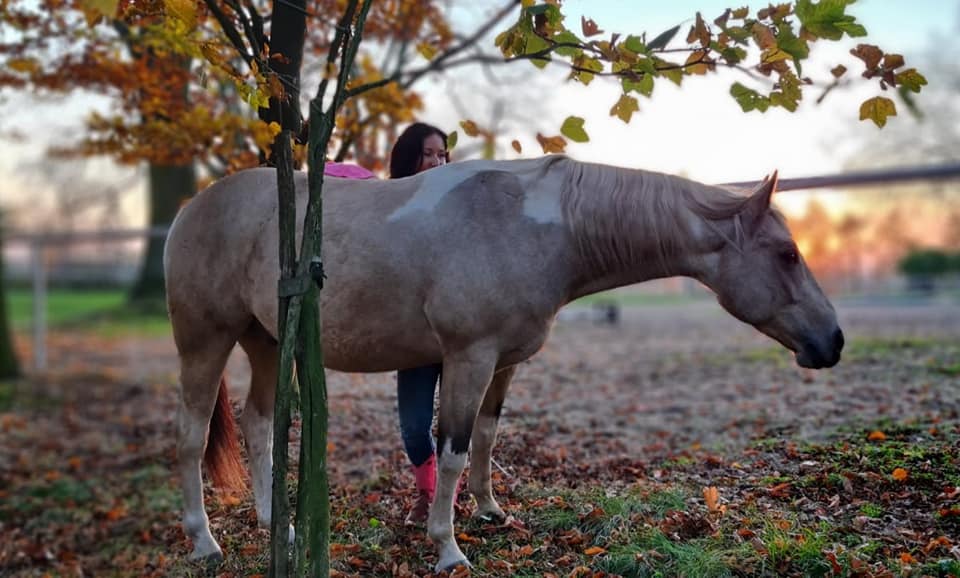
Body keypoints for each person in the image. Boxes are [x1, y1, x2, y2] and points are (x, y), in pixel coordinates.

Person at [388, 122, 449, 525]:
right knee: (413, 426)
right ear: (410, 157)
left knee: (457, 425)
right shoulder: (389, 210)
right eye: (429, 154)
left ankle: (438, 499)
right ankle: (429, 490)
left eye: (442, 154)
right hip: (414, 334)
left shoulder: (460, 206)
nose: (438, 161)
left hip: (463, 333)